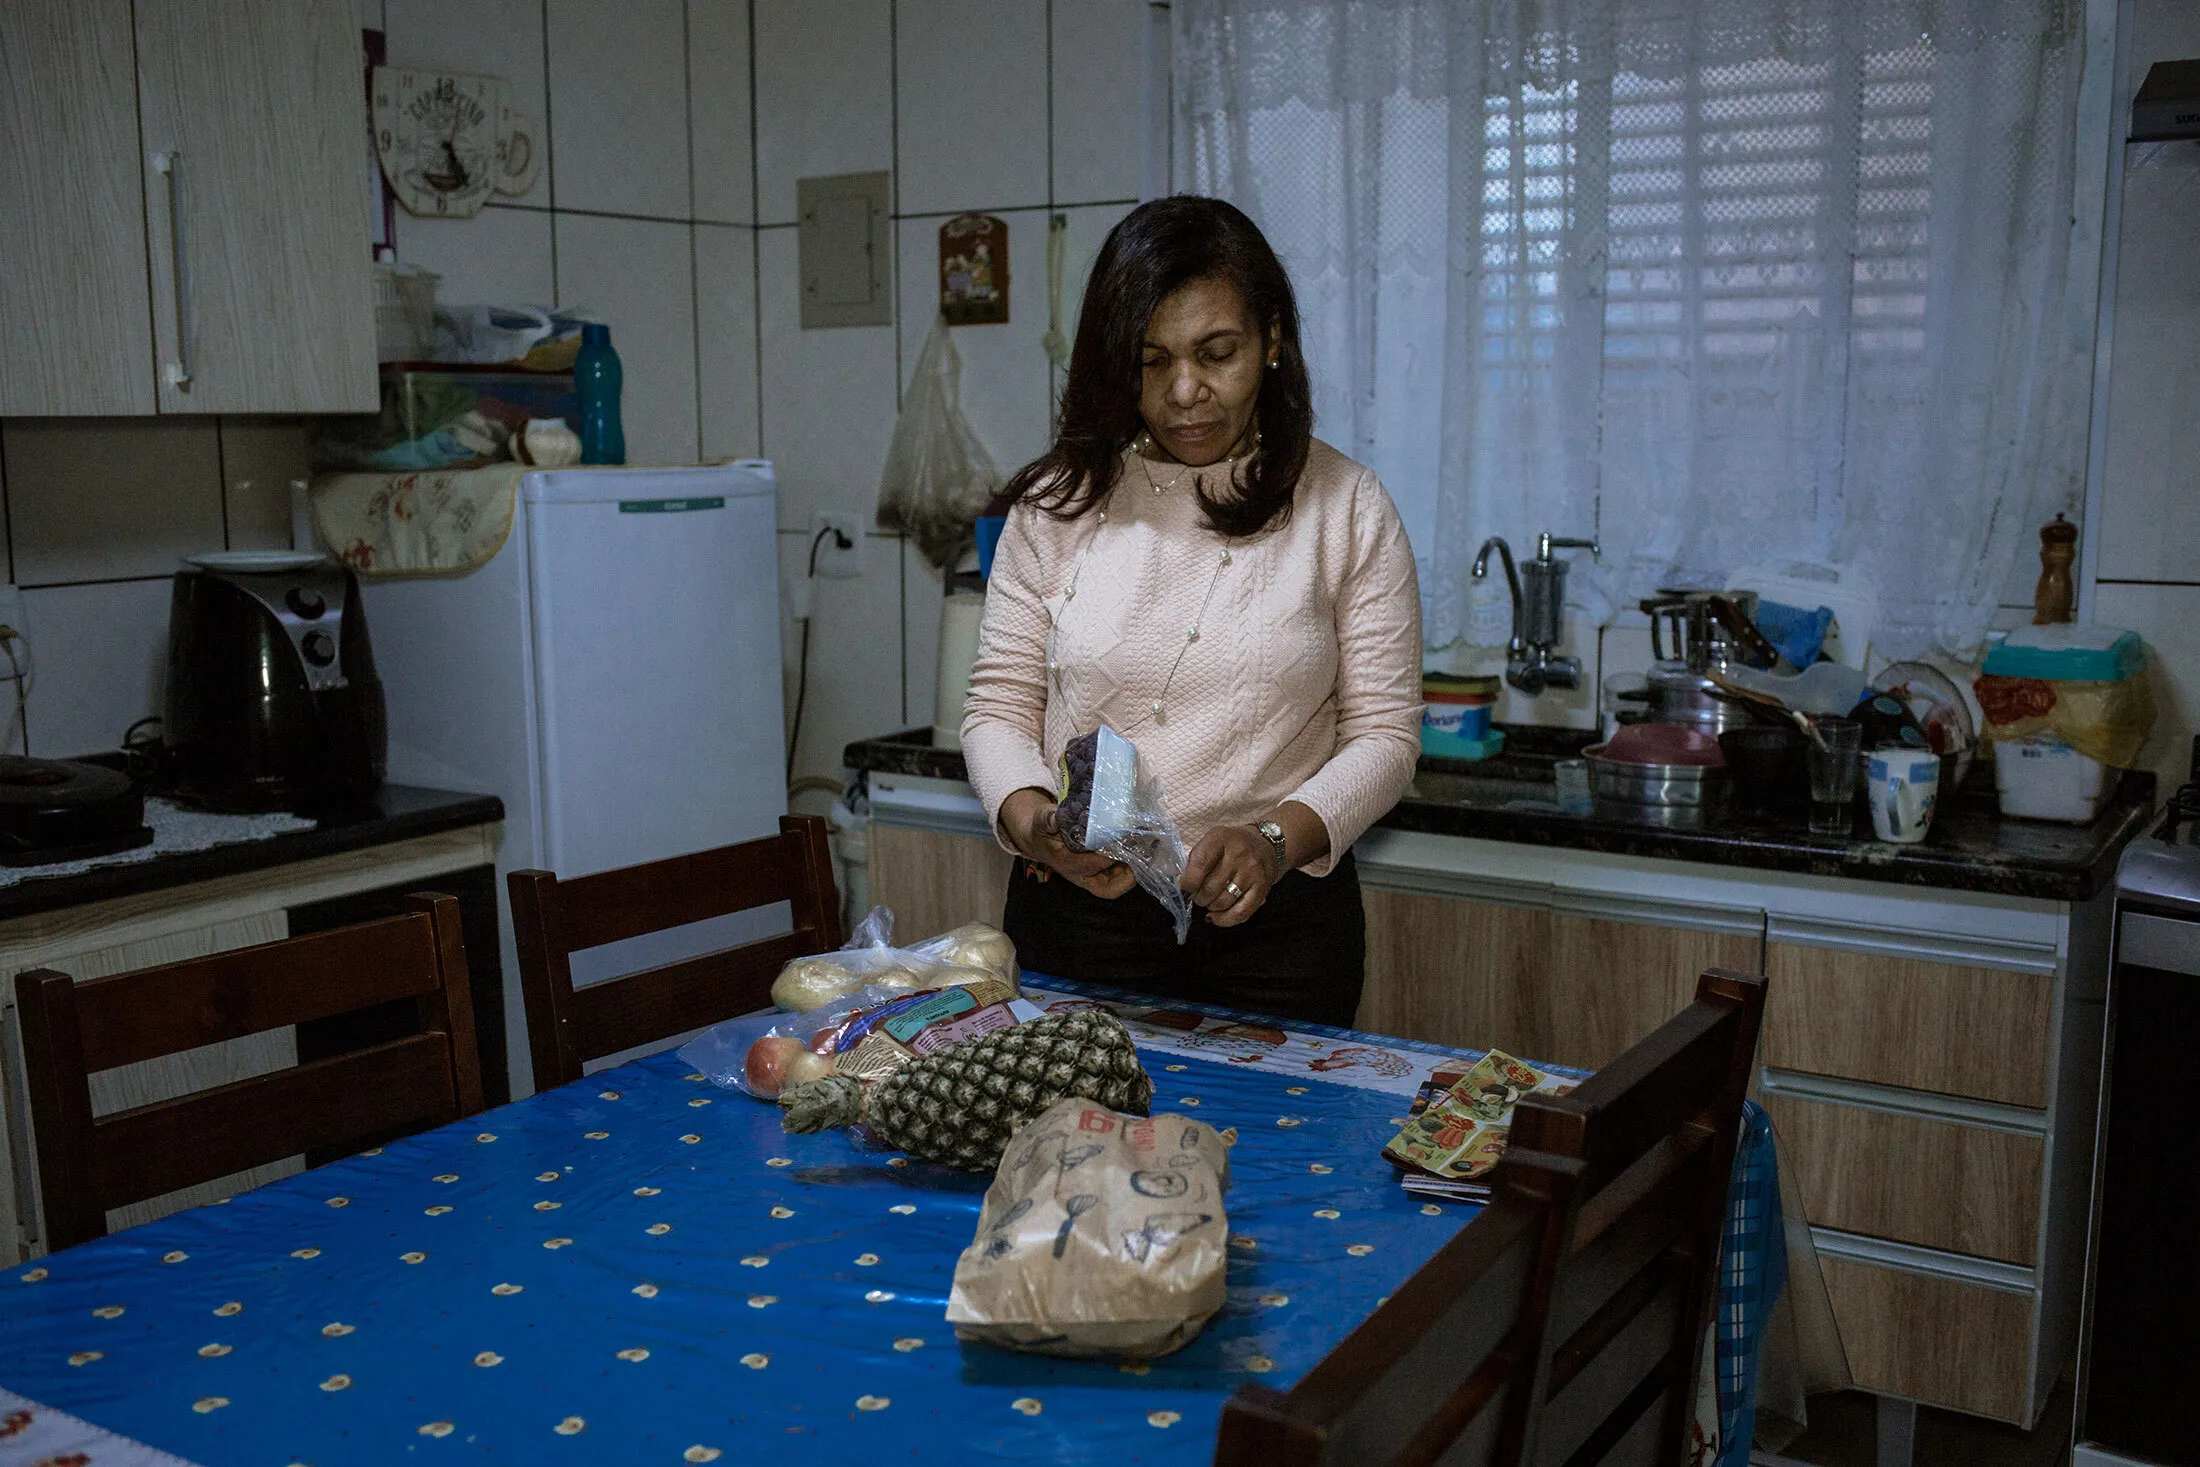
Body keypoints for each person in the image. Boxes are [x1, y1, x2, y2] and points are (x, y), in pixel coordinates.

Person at [959, 196, 1422, 1027]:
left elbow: (1385, 737)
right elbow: (997, 708)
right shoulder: (1055, 506)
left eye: (1218, 354)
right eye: (1150, 361)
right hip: (1080, 916)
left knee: (1279, 1157)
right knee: (1070, 1154)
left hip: (1276, 934)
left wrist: (1275, 840)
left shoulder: (1345, 507)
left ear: (1272, 342)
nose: (1184, 394)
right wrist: (1034, 824)